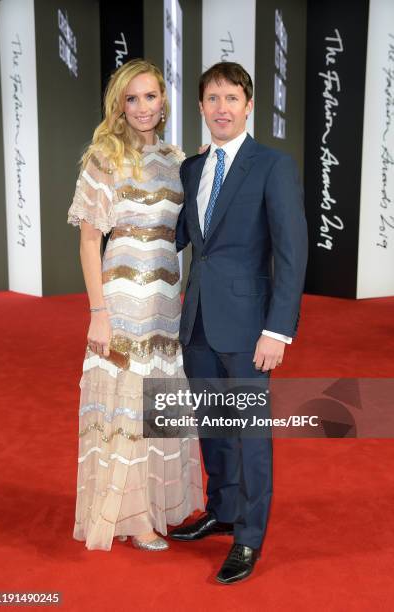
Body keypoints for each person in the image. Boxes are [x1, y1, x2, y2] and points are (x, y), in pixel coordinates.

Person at [170, 62, 308, 583]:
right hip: (198, 319)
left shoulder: (273, 165)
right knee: (213, 425)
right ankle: (222, 510)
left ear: (248, 105)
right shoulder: (192, 167)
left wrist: (278, 330)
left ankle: (249, 538)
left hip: (251, 326)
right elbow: (185, 237)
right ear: (201, 107)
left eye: (231, 98)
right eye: (212, 99)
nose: (221, 108)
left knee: (250, 433)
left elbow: (292, 254)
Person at [67, 59, 204, 552]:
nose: (143, 107)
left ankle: (160, 505)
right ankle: (134, 516)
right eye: (132, 98)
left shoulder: (176, 159)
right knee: (128, 403)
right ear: (119, 106)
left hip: (167, 300)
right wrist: (97, 312)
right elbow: (88, 241)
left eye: (151, 96)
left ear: (163, 101)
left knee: (158, 403)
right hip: (122, 301)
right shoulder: (104, 158)